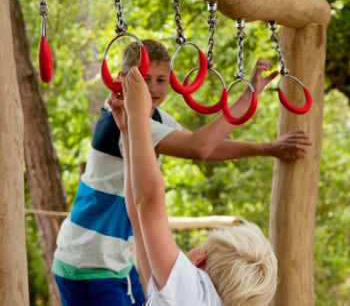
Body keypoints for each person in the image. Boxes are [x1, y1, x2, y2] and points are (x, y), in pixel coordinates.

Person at [52, 40, 311, 306]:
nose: (153, 87)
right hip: (92, 256)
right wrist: (247, 97)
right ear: (125, 81)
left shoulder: (152, 120)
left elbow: (207, 147)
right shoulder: (126, 121)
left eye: (161, 79)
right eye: (146, 78)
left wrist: (266, 147)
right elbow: (199, 147)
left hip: (109, 255)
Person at [110, 67, 278, 305]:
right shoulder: (190, 298)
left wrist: (138, 115)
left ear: (200, 258)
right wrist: (128, 130)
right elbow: (139, 219)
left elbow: (148, 202)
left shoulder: (191, 294)